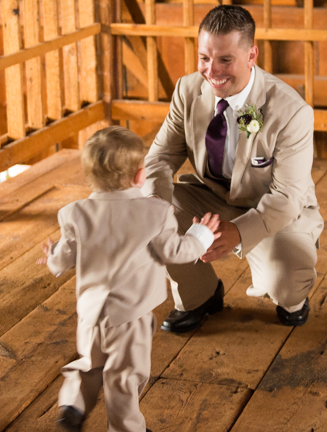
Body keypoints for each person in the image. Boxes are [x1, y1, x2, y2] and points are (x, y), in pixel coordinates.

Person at [143, 4, 323, 332]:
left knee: (287, 283)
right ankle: (200, 297)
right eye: (204, 58)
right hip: (210, 198)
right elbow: (159, 158)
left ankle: (292, 296)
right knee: (154, 211)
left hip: (273, 210)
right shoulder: (186, 91)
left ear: (252, 55)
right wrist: (153, 205)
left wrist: (238, 231)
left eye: (226, 60)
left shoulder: (291, 111)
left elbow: (286, 196)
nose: (212, 71)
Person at [39, 126, 220, 432]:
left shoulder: (75, 213)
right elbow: (174, 251)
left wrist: (52, 256)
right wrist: (201, 235)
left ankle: (72, 404)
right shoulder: (155, 212)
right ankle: (126, 428)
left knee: (89, 362)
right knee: (125, 374)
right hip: (129, 317)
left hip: (90, 313)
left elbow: (64, 257)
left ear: (90, 175)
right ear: (140, 176)